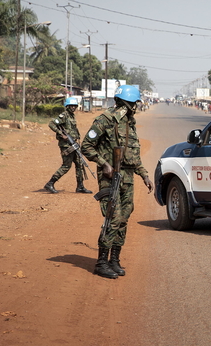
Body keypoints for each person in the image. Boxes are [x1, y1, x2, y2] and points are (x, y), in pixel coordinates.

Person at [81, 85, 153, 279]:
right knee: (113, 218)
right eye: (132, 104)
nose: (135, 107)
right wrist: (104, 164)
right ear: (123, 103)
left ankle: (115, 260)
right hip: (110, 178)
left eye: (135, 104)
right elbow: (86, 146)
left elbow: (133, 154)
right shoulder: (105, 120)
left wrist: (144, 174)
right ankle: (101, 262)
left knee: (123, 220)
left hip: (127, 178)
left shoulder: (129, 122)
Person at [43, 97, 92, 194]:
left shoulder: (72, 116)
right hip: (66, 145)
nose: (73, 107)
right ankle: (50, 183)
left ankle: (80, 186)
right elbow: (51, 124)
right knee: (66, 166)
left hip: (74, 144)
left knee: (79, 164)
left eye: (75, 106)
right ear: (67, 106)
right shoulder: (64, 115)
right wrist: (61, 134)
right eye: (71, 106)